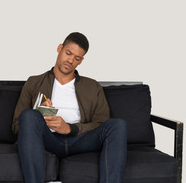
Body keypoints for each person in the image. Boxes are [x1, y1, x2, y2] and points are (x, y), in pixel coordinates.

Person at [12, 32, 127, 183]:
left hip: (80, 140)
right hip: (48, 139)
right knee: (29, 115)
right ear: (60, 48)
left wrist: (70, 128)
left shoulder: (92, 86)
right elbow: (16, 126)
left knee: (117, 125)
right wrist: (38, 114)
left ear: (81, 60)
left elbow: (101, 124)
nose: (71, 60)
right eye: (68, 53)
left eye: (77, 58)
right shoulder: (34, 82)